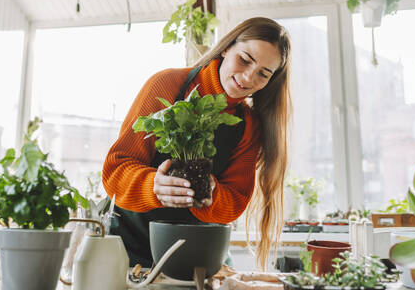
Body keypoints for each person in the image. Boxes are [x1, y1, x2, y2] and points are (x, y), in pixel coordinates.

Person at [102, 17, 292, 270]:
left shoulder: (248, 125)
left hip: (200, 252)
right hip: (132, 251)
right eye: (245, 59)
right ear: (226, 48)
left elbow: (235, 200)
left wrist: (212, 195)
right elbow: (115, 171)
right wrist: (153, 186)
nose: (248, 77)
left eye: (263, 74)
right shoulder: (167, 85)